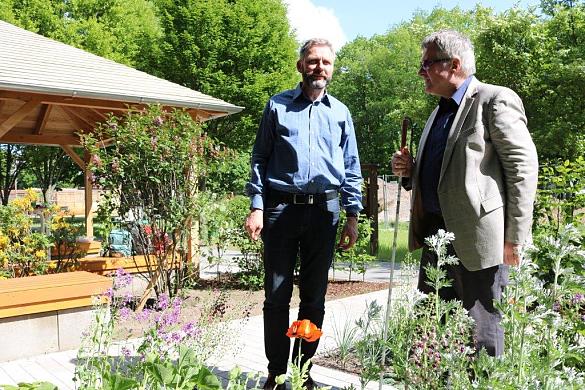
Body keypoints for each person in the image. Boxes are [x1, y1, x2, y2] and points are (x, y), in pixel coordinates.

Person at [392, 30, 538, 357]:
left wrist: (515, 239)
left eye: (427, 63)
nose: (421, 71)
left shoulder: (493, 99)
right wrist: (410, 171)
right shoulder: (438, 112)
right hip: (437, 239)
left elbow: (523, 169)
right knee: (435, 331)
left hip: (478, 241)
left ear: (454, 64)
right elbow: (446, 176)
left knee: (482, 334)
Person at [245, 38, 363, 389]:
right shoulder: (277, 107)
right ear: (301, 66)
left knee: (314, 297)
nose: (319, 68)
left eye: (326, 62)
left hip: (324, 213)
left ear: (332, 68)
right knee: (277, 296)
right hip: (281, 210)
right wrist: (256, 205)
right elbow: (259, 159)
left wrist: (352, 214)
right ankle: (277, 372)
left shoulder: (340, 113)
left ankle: (302, 372)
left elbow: (352, 167)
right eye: (313, 61)